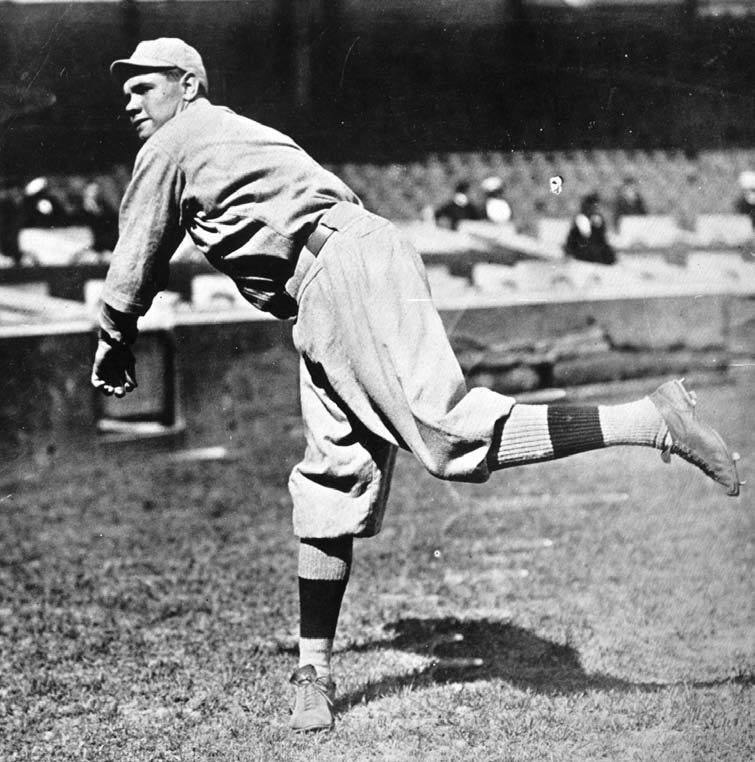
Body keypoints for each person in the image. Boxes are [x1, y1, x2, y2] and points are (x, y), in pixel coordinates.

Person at [91, 39, 742, 734]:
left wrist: (113, 334)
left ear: (187, 86)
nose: (131, 100)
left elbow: (139, 248)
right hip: (329, 283)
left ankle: (650, 417)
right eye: (125, 89)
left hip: (338, 268)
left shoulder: (180, 136)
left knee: (444, 434)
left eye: (145, 86)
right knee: (331, 479)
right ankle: (313, 670)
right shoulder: (223, 132)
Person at [564, 192, 617, 265]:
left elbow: (602, 237)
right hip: (583, 246)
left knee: (607, 253)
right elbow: (583, 236)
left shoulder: (598, 217)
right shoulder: (581, 218)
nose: (596, 208)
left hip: (596, 245)